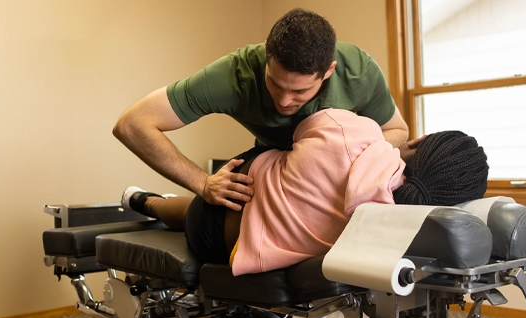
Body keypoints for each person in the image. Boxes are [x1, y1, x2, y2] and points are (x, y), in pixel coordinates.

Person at [121, 109, 489, 276]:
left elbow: (294, 133)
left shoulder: (353, 133)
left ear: (420, 140)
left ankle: (143, 201)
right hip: (237, 247)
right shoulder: (402, 231)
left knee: (192, 210)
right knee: (190, 214)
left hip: (225, 205)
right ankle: (144, 201)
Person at [113, 8, 412, 213]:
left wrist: (347, 158)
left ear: (328, 72)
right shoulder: (234, 75)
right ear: (267, 55)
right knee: (222, 213)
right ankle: (149, 203)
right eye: (275, 83)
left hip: (333, 178)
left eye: (299, 91)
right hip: (272, 162)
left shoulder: (360, 72)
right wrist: (202, 182)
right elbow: (132, 124)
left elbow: (398, 130)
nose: (283, 101)